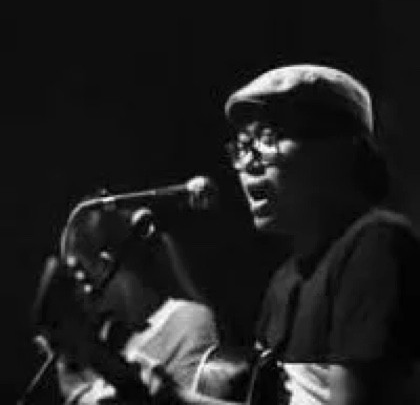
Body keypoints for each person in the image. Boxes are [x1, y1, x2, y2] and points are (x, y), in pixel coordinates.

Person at [222, 64, 420, 404]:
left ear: (343, 149)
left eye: (268, 138)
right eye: (242, 146)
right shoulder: (284, 281)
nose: (250, 163)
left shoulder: (376, 245)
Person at [44, 205, 222, 404]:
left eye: (85, 277)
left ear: (105, 264)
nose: (84, 295)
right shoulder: (112, 336)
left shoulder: (187, 320)